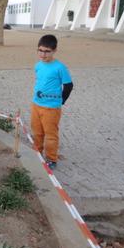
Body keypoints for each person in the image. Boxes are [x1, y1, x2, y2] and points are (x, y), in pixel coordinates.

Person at [31, 34, 73, 170]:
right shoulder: (37, 65)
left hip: (51, 108)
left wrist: (61, 101)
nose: (43, 54)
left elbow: (68, 85)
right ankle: (37, 153)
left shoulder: (60, 67)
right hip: (36, 105)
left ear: (54, 50)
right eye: (40, 50)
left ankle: (51, 158)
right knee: (37, 132)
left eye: (47, 51)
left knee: (50, 135)